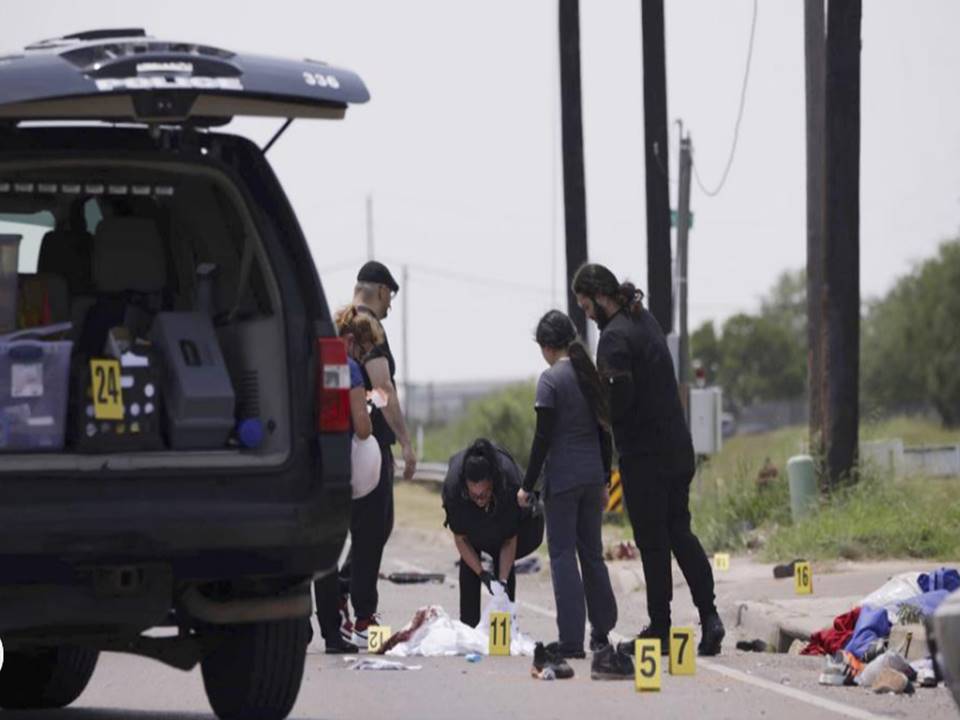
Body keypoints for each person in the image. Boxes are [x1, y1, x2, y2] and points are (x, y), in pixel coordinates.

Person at [572, 263, 726, 658]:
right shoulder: (644, 320)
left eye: (586, 304)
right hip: (677, 448)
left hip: (645, 457)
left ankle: (660, 627)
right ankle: (710, 617)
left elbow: (618, 406)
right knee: (681, 533)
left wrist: (596, 403)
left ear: (599, 296)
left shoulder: (614, 339)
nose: (586, 313)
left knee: (653, 544)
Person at [517, 310, 633, 681]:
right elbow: (605, 433)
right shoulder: (590, 375)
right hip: (591, 477)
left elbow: (542, 439)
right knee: (592, 553)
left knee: (564, 555)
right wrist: (603, 480)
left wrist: (527, 484)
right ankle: (602, 630)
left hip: (563, 481)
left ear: (547, 346)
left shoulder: (550, 381)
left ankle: (571, 640)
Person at [347, 261, 417, 645]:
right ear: (379, 290)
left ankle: (342, 598)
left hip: (339, 441)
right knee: (374, 528)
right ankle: (362, 616)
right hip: (369, 444)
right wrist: (404, 441)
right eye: (390, 295)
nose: (390, 305)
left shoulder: (340, 321)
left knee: (362, 528)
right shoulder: (368, 328)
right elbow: (382, 386)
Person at [313, 306, 382, 653]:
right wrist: (368, 406)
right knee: (329, 551)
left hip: (305, 463)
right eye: (364, 350)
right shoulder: (349, 368)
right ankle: (331, 633)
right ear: (352, 341)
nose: (363, 358)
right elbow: (362, 426)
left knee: (307, 549)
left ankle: (300, 629)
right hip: (335, 465)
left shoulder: (313, 359)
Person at [442, 439, 544, 629]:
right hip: (472, 529)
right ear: (466, 486)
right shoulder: (454, 489)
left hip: (506, 525)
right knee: (470, 565)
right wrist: (482, 574)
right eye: (474, 495)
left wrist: (502, 580)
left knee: (503, 567)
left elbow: (510, 539)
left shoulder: (510, 484)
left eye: (484, 494)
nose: (479, 500)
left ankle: (506, 624)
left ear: (492, 483)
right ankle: (469, 626)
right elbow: (461, 538)